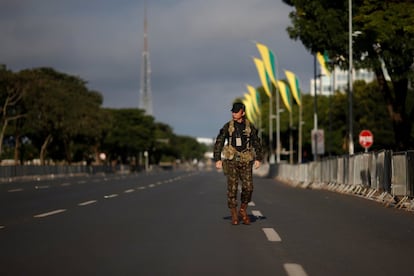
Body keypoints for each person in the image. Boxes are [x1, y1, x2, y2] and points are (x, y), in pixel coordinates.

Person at [213, 102, 263, 225]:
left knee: (248, 187)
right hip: (232, 161)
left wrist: (258, 158)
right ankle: (234, 214)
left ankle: (243, 209)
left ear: (243, 113)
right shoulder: (227, 126)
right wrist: (218, 158)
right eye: (233, 111)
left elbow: (256, 142)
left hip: (246, 160)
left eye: (236, 111)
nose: (234, 113)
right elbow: (219, 141)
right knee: (232, 188)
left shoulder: (249, 127)